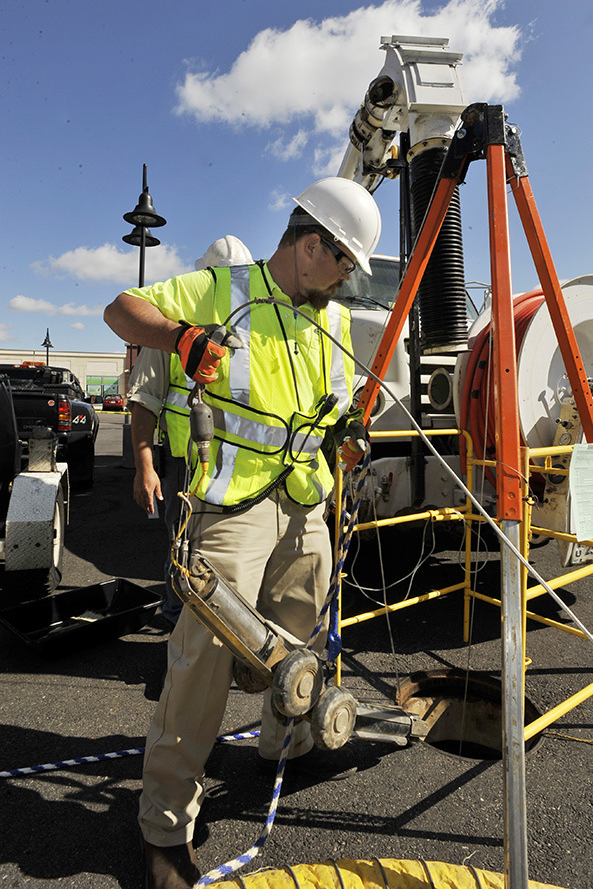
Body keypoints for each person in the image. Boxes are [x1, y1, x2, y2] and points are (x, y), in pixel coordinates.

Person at [103, 177, 380, 889]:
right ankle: (165, 828)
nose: (346, 281)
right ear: (310, 246)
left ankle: (280, 747)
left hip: (305, 506)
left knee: (297, 637)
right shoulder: (222, 290)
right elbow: (120, 309)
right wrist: (180, 337)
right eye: (344, 264)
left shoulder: (330, 319)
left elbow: (331, 405)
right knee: (201, 663)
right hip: (231, 511)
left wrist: (346, 433)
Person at [127, 237, 253, 627]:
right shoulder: (173, 332)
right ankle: (178, 624)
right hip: (185, 467)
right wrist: (145, 468)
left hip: (242, 468)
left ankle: (221, 632)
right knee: (184, 547)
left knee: (230, 553)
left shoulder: (254, 333)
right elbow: (144, 402)